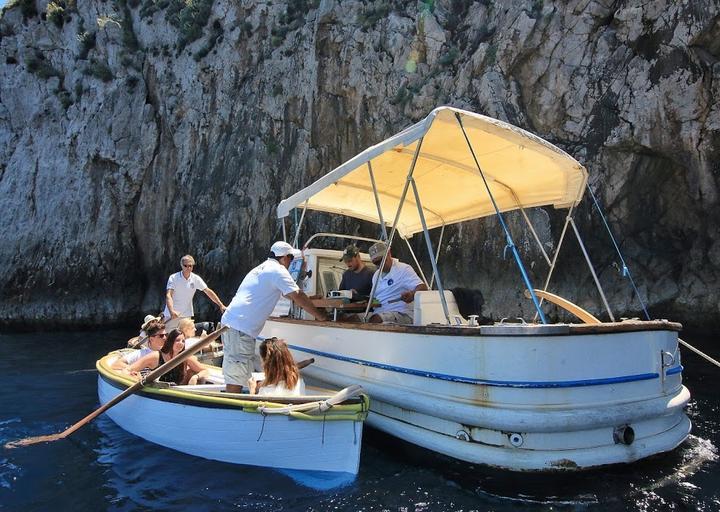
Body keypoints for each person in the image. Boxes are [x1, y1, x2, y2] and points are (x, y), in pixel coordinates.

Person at [221, 241, 328, 393]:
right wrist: (320, 316)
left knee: (238, 370)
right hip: (240, 328)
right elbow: (296, 295)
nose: (291, 263)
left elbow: (288, 294)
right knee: (237, 374)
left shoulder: (261, 268)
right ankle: (232, 408)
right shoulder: (278, 270)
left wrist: (311, 299)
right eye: (291, 259)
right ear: (284, 258)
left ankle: (238, 399)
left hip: (232, 324)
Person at [367, 241, 427, 324]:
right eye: (376, 263)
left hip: (402, 313)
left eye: (382, 260)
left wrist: (412, 294)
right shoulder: (376, 275)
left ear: (389, 253)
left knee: (376, 319)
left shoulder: (404, 269)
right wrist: (369, 302)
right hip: (379, 312)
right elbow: (374, 299)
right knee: (352, 318)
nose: (379, 265)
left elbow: (423, 287)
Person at [125, 328, 208, 385]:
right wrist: (134, 376)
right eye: (177, 340)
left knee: (192, 372)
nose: (181, 343)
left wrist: (195, 377)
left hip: (178, 394)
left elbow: (205, 370)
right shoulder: (156, 356)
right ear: (170, 342)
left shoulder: (185, 357)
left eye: (183, 341)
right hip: (157, 394)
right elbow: (128, 369)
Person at [163, 255, 227, 322]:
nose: (188, 268)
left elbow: (208, 291)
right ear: (181, 265)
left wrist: (221, 305)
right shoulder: (173, 278)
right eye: (185, 265)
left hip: (186, 316)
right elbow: (169, 295)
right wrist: (171, 311)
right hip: (171, 315)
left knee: (188, 332)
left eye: (190, 266)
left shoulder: (196, 278)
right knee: (170, 332)